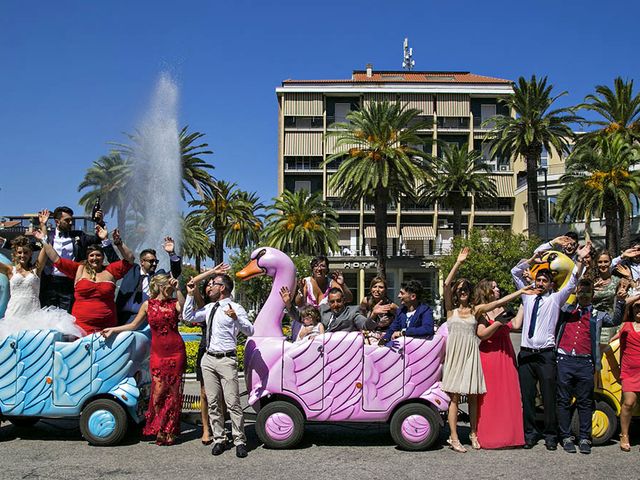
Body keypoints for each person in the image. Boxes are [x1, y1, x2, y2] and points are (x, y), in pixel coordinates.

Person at [443, 248, 538, 453]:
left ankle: (473, 434)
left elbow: (498, 302)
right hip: (455, 356)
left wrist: (520, 292)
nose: (462, 292)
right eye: (459, 289)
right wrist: (458, 263)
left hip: (471, 355)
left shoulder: (476, 310)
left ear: (469, 293)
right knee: (454, 398)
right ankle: (453, 437)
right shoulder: (450, 310)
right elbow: (445, 284)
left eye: (466, 289)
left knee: (474, 396)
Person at [511, 242, 590, 450]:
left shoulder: (555, 299)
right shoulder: (527, 297)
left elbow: (573, 281)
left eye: (544, 280)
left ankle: (550, 435)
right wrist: (532, 260)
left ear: (551, 284)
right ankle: (529, 434)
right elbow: (515, 272)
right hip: (527, 354)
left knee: (548, 396)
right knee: (527, 397)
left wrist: (580, 260)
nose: (540, 282)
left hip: (546, 355)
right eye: (538, 279)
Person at [102, 274, 186, 445]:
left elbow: (184, 309)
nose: (171, 287)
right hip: (158, 353)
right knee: (158, 392)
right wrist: (113, 329)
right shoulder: (148, 305)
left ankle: (169, 430)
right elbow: (134, 325)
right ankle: (159, 426)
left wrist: (178, 289)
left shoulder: (173, 303)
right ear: (161, 286)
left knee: (173, 393)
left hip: (176, 351)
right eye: (169, 285)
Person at [183, 273, 253, 458]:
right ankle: (219, 439)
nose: (209, 287)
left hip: (226, 359)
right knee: (213, 402)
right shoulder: (209, 307)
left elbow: (250, 330)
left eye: (213, 284)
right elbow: (187, 316)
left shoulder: (236, 307)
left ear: (223, 288)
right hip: (208, 359)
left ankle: (239, 440)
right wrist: (190, 295)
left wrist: (236, 317)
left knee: (233, 403)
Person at [555, 278, 624, 454]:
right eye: (581, 292)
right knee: (563, 400)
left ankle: (585, 437)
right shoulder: (565, 310)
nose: (584, 295)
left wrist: (621, 300)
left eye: (587, 292)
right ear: (576, 293)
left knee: (585, 401)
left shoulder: (598, 315)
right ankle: (565, 436)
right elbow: (557, 300)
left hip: (585, 362)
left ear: (592, 295)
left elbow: (615, 319)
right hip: (564, 359)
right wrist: (571, 289)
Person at [34, 227, 135, 334]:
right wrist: (44, 240)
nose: (95, 258)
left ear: (103, 257)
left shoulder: (111, 270)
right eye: (92, 255)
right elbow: (56, 259)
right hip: (81, 326)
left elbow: (130, 259)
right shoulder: (79, 268)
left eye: (98, 255)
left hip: (108, 326)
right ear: (87, 258)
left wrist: (119, 243)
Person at [0, 230, 83, 339]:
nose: (22, 255)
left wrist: (43, 228)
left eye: (26, 252)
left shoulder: (36, 269)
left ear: (30, 253)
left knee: (32, 343)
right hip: (14, 312)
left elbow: (45, 247)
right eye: (19, 252)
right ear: (15, 254)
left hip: (33, 314)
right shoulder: (10, 270)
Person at [475, 278, 525, 449]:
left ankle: (509, 436)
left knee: (508, 394)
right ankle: (490, 436)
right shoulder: (482, 312)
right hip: (489, 355)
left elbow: (516, 324)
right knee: (491, 397)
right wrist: (498, 322)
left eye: (497, 287)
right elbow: (482, 334)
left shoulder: (502, 308)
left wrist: (525, 302)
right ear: (486, 291)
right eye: (494, 287)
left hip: (506, 354)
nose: (497, 290)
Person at [185, 263, 232, 446]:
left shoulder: (225, 305)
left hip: (221, 349)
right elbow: (191, 282)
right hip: (205, 349)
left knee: (222, 395)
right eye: (208, 284)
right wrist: (213, 272)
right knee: (205, 393)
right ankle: (206, 428)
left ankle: (220, 427)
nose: (210, 286)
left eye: (214, 283)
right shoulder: (205, 305)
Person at [39, 206, 118, 312]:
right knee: (47, 316)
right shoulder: (47, 237)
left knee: (68, 318)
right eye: (67, 220)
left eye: (71, 220)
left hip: (69, 283)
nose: (71, 223)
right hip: (49, 283)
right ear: (57, 222)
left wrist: (100, 222)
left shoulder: (79, 236)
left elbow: (97, 238)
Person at [116, 237, 182, 325]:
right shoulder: (131, 269)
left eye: (156, 261)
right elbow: (114, 260)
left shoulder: (158, 276)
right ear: (142, 262)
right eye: (151, 261)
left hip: (146, 319)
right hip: (122, 317)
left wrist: (171, 253)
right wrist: (108, 242)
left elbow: (175, 272)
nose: (154, 264)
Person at [616, 297, 640, 452]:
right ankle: (624, 435)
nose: (639, 311)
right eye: (637, 308)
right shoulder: (627, 325)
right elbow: (615, 339)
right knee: (628, 403)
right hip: (630, 371)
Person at [587, 249, 621, 343]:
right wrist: (592, 288)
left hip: (609, 324)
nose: (603, 265)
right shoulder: (590, 280)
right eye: (600, 262)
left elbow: (621, 303)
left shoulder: (617, 281)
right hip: (592, 322)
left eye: (606, 261)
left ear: (610, 262)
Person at [359, 276, 397, 344]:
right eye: (375, 286)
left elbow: (401, 319)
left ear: (385, 290)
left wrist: (391, 322)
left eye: (381, 287)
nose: (377, 290)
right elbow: (361, 319)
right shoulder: (366, 301)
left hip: (385, 336)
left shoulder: (390, 306)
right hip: (368, 335)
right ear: (371, 289)